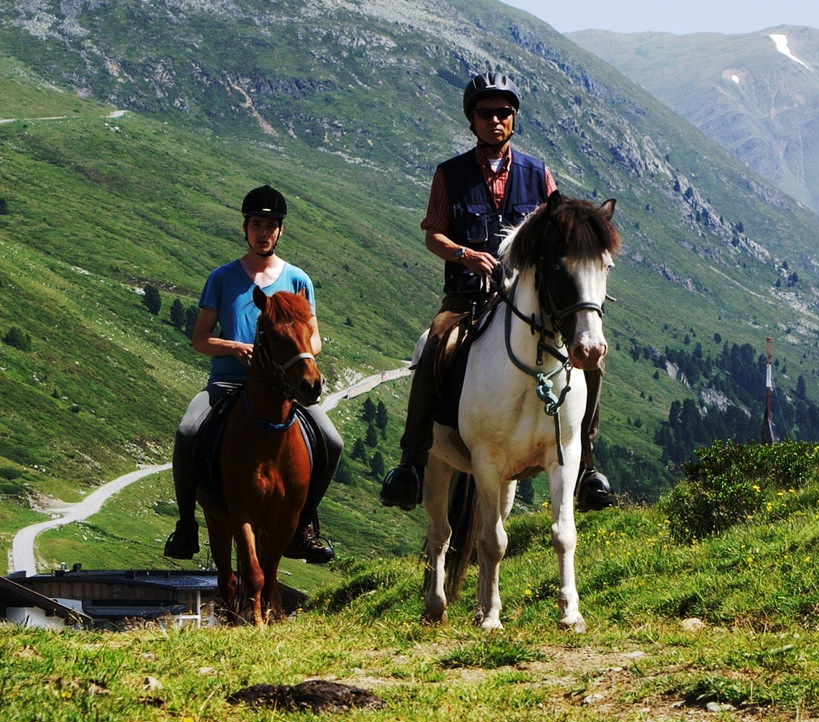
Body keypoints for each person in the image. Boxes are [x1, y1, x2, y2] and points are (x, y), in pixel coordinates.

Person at [379, 71, 616, 513]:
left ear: (514, 119)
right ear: (472, 119)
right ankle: (410, 463)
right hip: (467, 297)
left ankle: (586, 467)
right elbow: (433, 235)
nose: (495, 120)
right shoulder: (449, 175)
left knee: (591, 360)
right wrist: (465, 255)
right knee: (434, 346)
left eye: (504, 113)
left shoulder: (538, 174)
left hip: (529, 300)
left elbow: (559, 231)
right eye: (486, 113)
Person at [164, 185, 344, 563]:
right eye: (257, 224)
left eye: (271, 225)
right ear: (244, 228)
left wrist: (297, 361)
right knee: (187, 431)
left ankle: (306, 525)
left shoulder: (298, 280)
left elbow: (314, 339)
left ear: (281, 231)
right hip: (227, 383)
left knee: (332, 441)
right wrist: (235, 347)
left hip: (282, 389)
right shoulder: (222, 278)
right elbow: (200, 339)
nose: (263, 232)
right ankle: (185, 526)